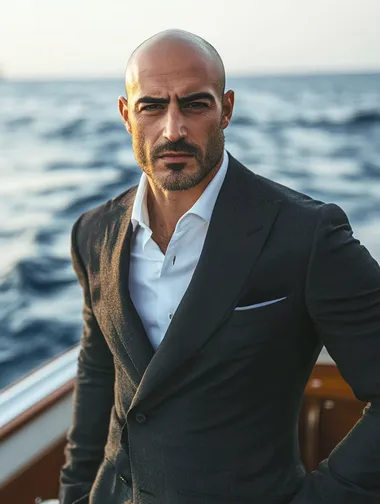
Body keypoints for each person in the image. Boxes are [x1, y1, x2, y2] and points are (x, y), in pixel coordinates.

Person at [59, 29, 380, 504]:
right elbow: (98, 371)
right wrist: (74, 494)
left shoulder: (307, 236)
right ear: (127, 115)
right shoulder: (93, 233)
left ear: (226, 108)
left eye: (195, 104)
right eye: (152, 106)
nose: (173, 129)